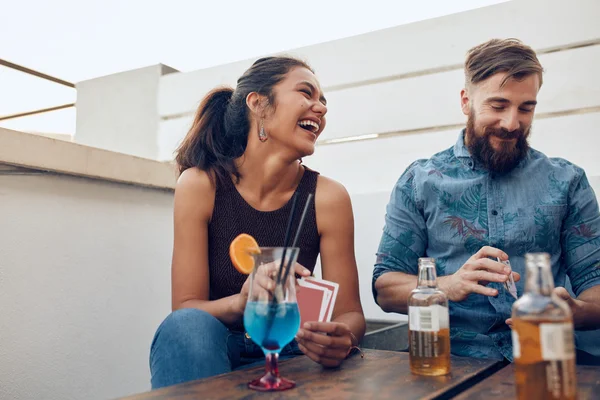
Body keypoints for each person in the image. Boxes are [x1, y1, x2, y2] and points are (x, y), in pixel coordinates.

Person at [372, 38, 600, 362]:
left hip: (547, 357)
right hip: (447, 362)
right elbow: (385, 288)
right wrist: (447, 286)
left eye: (526, 108)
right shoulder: (419, 181)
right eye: (498, 105)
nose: (512, 123)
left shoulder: (568, 181)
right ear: (466, 101)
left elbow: (595, 285)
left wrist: (575, 311)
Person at [149, 56, 365, 389]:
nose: (320, 108)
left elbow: (350, 313)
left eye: (323, 101)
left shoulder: (329, 197)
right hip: (221, 345)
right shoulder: (200, 185)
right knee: (185, 326)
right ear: (258, 104)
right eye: (306, 93)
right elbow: (186, 307)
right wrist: (243, 301)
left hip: (295, 349)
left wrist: (342, 337)